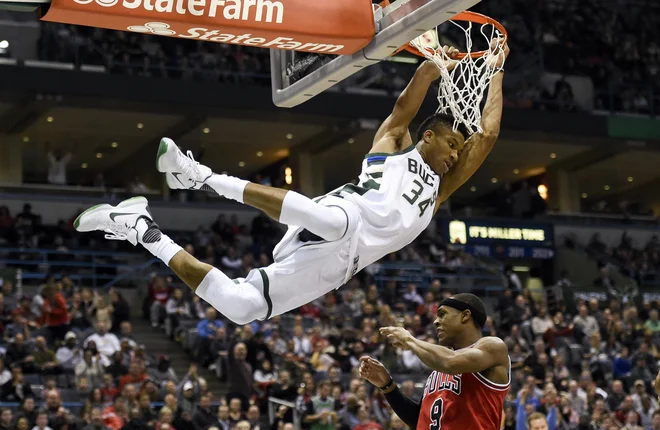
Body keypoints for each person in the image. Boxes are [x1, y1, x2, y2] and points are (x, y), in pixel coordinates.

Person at [73, 42, 508, 326]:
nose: (455, 155)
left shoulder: (440, 191)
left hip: (340, 264)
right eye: (452, 143)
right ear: (429, 136)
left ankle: (139, 228)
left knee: (242, 309)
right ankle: (197, 175)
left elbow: (487, 138)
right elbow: (402, 110)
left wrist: (497, 71)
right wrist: (429, 72)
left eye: (458, 150)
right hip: (340, 216)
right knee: (334, 221)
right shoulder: (395, 147)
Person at [358, 294, 510, 430]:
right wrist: (387, 386)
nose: (436, 321)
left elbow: (451, 362)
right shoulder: (438, 369)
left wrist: (410, 340)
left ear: (465, 316)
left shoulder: (493, 347)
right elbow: (419, 422)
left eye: (443, 314)